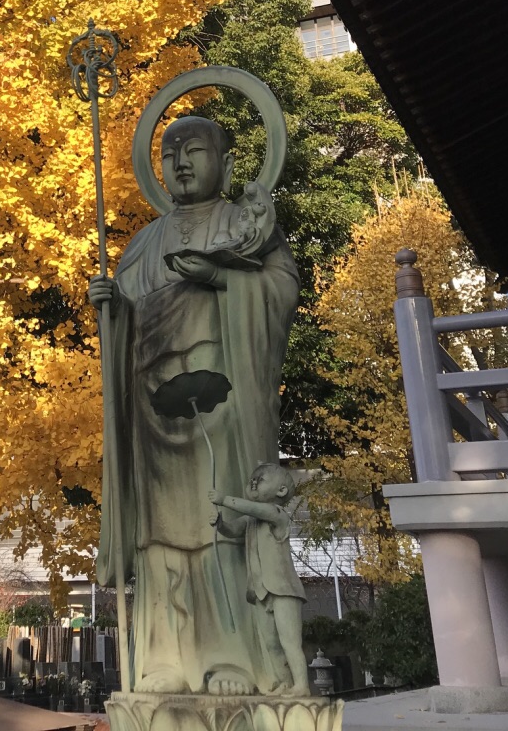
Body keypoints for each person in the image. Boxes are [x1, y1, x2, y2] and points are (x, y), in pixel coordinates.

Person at [89, 116, 298, 696]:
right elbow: (128, 318)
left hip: (223, 401)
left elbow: (280, 292)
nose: (181, 163)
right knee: (159, 536)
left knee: (221, 521)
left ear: (227, 164)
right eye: (170, 153)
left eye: (195, 150)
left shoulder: (246, 225)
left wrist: (223, 280)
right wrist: (111, 308)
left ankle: (232, 655)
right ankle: (166, 658)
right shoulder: (145, 242)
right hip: (156, 410)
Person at [210, 463, 309, 696]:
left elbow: (256, 509)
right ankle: (283, 681)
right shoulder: (251, 520)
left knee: (289, 641)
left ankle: (302, 684)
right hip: (259, 591)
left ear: (281, 491)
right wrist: (221, 524)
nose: (253, 483)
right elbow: (233, 529)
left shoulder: (276, 514)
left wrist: (224, 499)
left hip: (284, 590)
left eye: (260, 480)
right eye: (251, 480)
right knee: (271, 643)